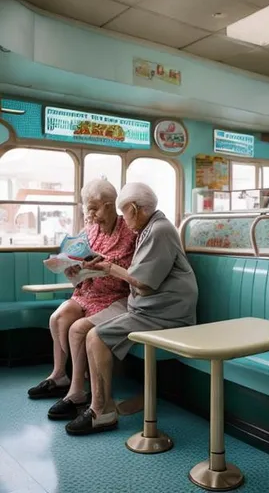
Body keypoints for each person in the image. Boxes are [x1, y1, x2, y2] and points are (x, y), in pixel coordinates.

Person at [65, 183, 198, 435]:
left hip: (164, 314)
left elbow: (145, 285)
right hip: (149, 311)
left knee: (96, 336)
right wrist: (104, 264)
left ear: (135, 209)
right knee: (91, 334)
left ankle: (101, 411)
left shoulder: (159, 230)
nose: (124, 219)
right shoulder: (151, 228)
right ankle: (101, 406)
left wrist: (107, 268)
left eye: (124, 213)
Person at [27, 179, 136, 422]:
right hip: (87, 292)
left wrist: (105, 264)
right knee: (58, 317)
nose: (91, 214)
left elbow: (134, 272)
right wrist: (72, 271)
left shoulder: (129, 232)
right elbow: (80, 263)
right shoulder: (90, 231)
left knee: (77, 329)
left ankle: (77, 389)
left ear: (110, 206)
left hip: (114, 297)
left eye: (95, 208)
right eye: (87, 208)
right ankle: (59, 376)